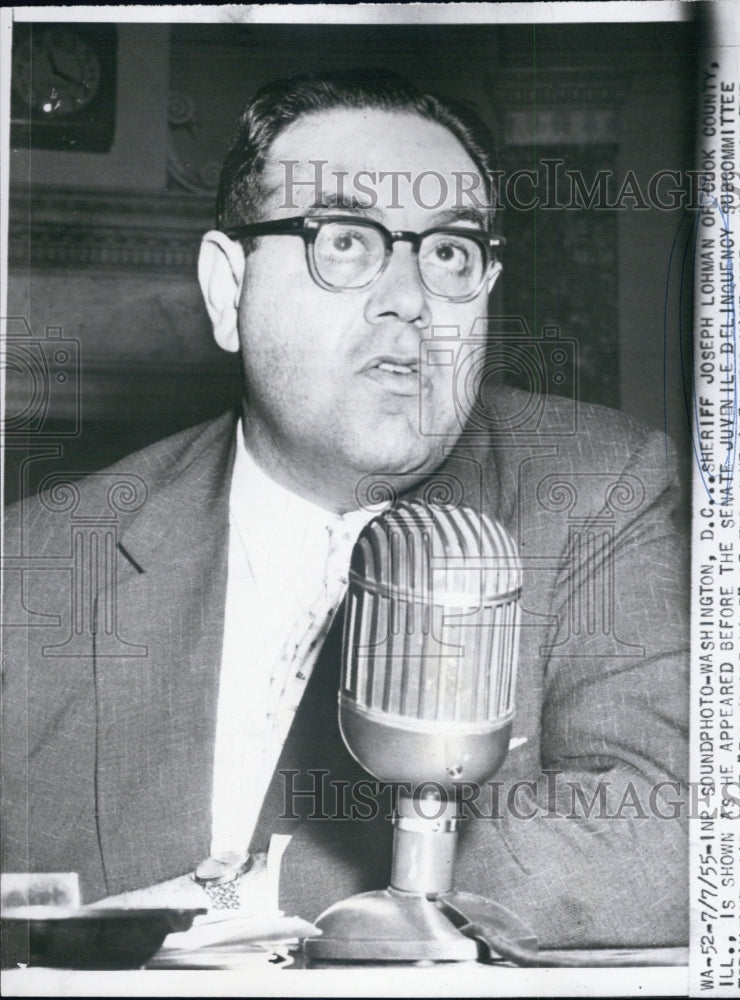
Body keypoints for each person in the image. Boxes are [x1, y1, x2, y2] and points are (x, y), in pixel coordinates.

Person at [1, 70, 688, 948]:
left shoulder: (598, 487)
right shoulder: (36, 561)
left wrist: (262, 891)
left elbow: (662, 836)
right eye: (347, 241)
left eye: (448, 251)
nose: (409, 297)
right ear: (228, 288)